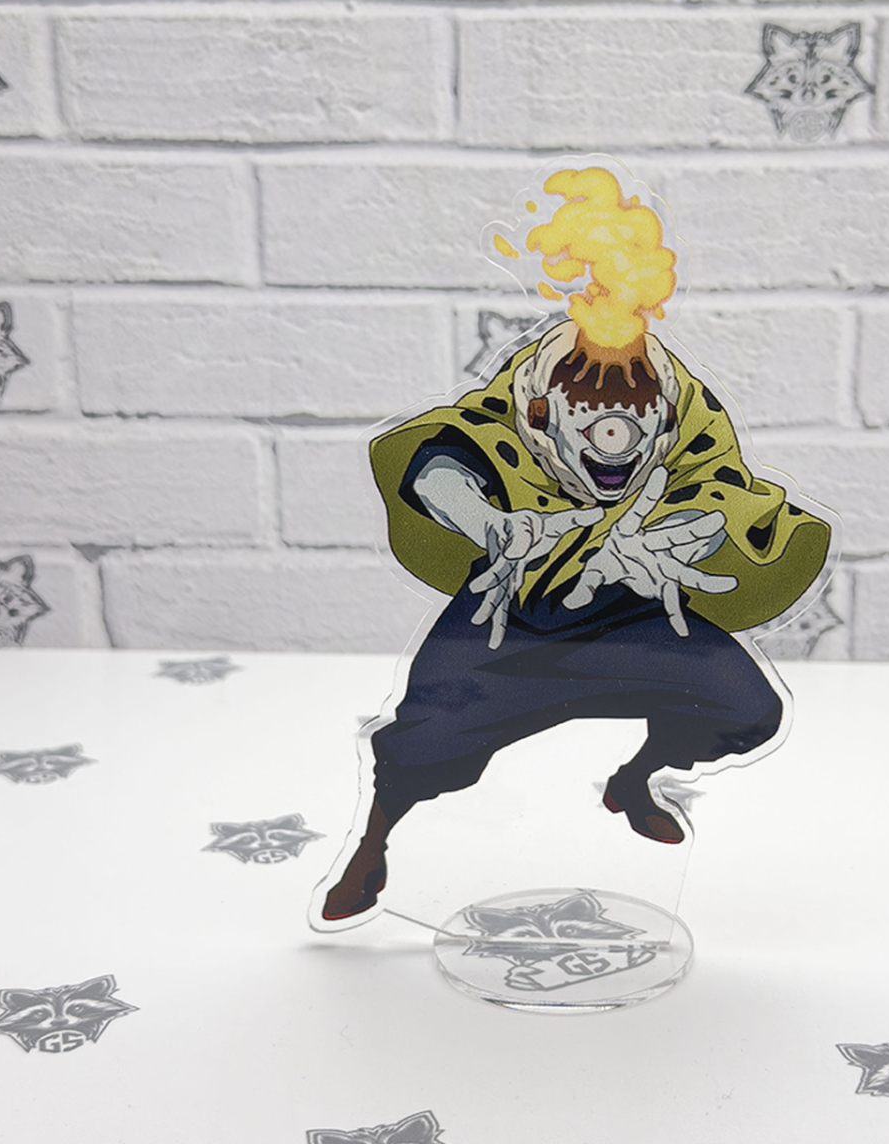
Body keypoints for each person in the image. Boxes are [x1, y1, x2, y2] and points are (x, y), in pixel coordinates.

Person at [320, 318, 832, 921]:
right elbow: (441, 463)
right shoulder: (512, 409)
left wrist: (674, 538)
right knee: (422, 744)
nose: (616, 441)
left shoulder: (688, 413)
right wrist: (488, 523)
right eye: (589, 421)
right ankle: (370, 848)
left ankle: (634, 781)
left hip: (633, 616)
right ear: (541, 417)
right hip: (508, 614)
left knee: (746, 708)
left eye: (635, 423)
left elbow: (720, 490)